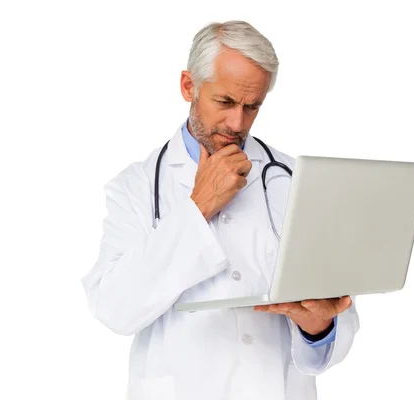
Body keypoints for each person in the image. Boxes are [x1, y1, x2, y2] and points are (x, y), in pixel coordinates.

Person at [81, 20, 360, 400]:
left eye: (253, 106)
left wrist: (319, 327)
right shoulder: (135, 187)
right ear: (188, 86)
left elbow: (338, 318)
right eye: (225, 102)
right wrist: (198, 208)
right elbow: (114, 308)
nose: (237, 123)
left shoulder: (295, 180)